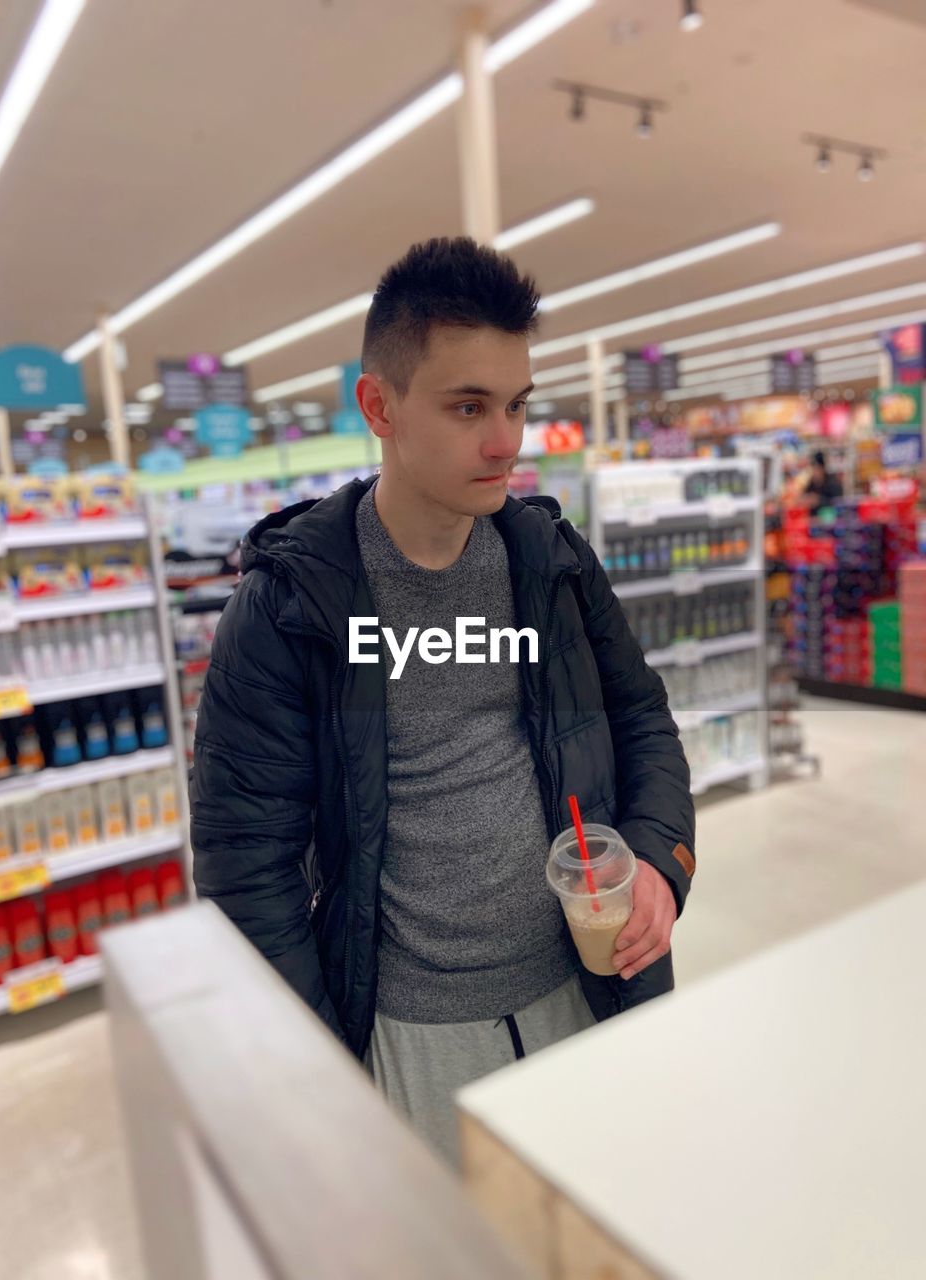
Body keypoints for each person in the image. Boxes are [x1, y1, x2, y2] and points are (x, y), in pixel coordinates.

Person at [190, 238, 696, 1163]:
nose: (506, 441)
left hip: (583, 986)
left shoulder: (552, 564)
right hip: (410, 1033)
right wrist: (315, 1056)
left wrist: (660, 858)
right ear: (379, 407)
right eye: (468, 407)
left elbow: (640, 717)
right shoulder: (289, 608)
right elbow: (243, 862)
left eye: (515, 405)